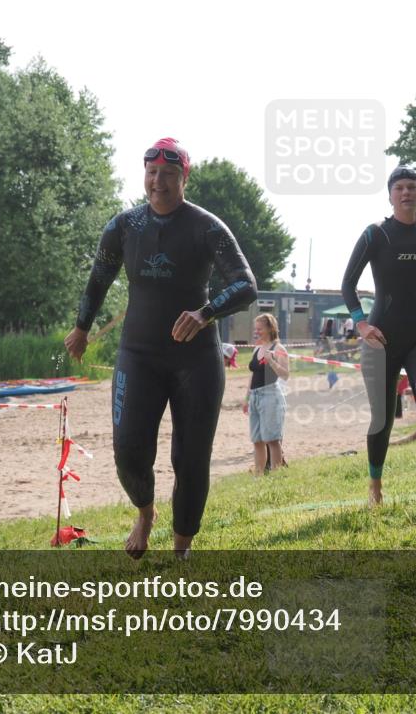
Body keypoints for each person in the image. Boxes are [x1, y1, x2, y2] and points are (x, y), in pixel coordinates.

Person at [64, 138, 256, 559]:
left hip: (197, 360)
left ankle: (182, 547)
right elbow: (98, 279)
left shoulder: (206, 226)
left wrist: (205, 313)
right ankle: (145, 512)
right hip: (139, 355)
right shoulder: (124, 226)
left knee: (190, 458)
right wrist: (81, 328)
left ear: (184, 177)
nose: (158, 182)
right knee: (128, 451)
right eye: (152, 173)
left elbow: (246, 286)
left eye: (168, 174)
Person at [342, 165, 416, 515]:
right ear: (390, 196)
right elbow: (348, 284)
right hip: (381, 336)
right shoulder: (376, 234)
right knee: (382, 418)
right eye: (399, 188)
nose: (406, 193)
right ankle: (375, 486)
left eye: (412, 187)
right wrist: (361, 324)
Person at [242, 314, 289, 476]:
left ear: (270, 328)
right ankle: (259, 475)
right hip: (255, 396)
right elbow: (253, 375)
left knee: (272, 440)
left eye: (260, 329)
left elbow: (285, 374)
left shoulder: (279, 349)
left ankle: (275, 475)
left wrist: (272, 361)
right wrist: (246, 398)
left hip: (271, 395)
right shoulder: (257, 348)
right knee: (257, 440)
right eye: (256, 328)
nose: (257, 332)